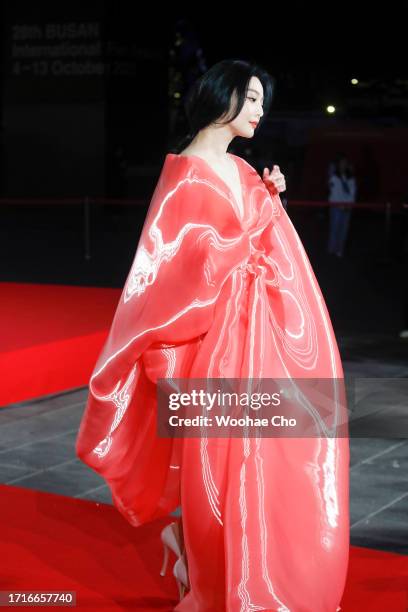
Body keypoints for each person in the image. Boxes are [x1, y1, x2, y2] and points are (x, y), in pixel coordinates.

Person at [75, 59, 349, 611]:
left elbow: (262, 244)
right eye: (251, 99)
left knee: (277, 455)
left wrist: (271, 202)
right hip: (214, 341)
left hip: (263, 334)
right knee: (221, 467)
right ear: (221, 98)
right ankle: (212, 569)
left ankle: (255, 573)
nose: (260, 110)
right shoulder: (183, 176)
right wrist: (249, 232)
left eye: (261, 101)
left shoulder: (244, 170)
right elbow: (171, 276)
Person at [327, 155, 357, 257]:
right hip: (336, 206)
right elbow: (335, 192)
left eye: (345, 163)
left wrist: (349, 205)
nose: (343, 165)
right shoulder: (334, 177)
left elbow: (352, 192)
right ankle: (332, 250)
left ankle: (340, 250)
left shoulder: (351, 178)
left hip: (347, 207)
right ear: (338, 165)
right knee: (334, 229)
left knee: (344, 230)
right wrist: (340, 205)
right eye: (341, 163)